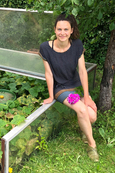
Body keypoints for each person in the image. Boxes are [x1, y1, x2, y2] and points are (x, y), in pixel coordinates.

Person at [39, 13, 99, 162]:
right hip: (61, 89)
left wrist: (87, 96)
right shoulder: (46, 48)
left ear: (71, 30)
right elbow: (48, 74)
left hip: (75, 89)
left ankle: (85, 133)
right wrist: (51, 96)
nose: (62, 33)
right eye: (59, 29)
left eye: (66, 29)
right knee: (81, 109)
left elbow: (82, 71)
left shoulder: (77, 45)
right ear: (54, 30)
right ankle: (92, 145)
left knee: (91, 115)